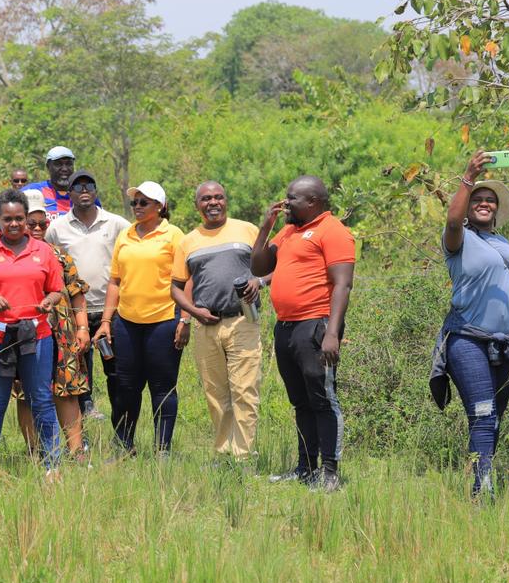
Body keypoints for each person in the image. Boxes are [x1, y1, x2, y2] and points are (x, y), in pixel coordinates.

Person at [430, 151, 509, 496]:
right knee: (483, 413)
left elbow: (498, 281)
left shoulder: (503, 243)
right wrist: (468, 177)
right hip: (468, 340)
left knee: (494, 421)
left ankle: (482, 478)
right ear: (468, 204)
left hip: (507, 342)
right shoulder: (459, 239)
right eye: (479, 199)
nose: (485, 203)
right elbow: (450, 221)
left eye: (490, 200)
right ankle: (482, 490)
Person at [251, 176, 354, 493]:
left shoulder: (333, 231)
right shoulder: (288, 231)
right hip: (286, 327)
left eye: (291, 198)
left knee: (322, 399)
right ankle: (305, 469)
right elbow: (257, 267)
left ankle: (330, 472)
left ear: (313, 202)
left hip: (316, 326)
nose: (285, 204)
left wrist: (332, 333)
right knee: (301, 402)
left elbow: (343, 284)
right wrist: (266, 227)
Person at [0, 189, 65, 487]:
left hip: (37, 335)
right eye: (7, 219)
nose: (14, 224)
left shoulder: (42, 251)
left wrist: (50, 301)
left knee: (42, 400)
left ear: (27, 218)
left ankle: (52, 466)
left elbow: (57, 289)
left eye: (19, 218)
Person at [171, 181, 270, 461]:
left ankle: (243, 457)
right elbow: (176, 287)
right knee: (216, 395)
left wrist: (259, 281)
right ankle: (224, 455)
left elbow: (276, 265)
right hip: (207, 326)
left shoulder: (247, 230)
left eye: (218, 197)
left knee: (245, 390)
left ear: (226, 201)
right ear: (197, 205)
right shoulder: (188, 241)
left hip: (242, 322)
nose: (212, 203)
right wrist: (192, 312)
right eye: (206, 199)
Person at [93, 182, 188, 458]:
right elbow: (115, 281)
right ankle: (124, 445)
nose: (137, 207)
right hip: (127, 322)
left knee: (162, 386)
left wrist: (184, 319)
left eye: (143, 202)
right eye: (135, 202)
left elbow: (185, 279)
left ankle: (162, 450)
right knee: (125, 386)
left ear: (160, 206)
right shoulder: (126, 235)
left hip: (163, 320)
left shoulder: (173, 235)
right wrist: (107, 321)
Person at [46, 170, 129, 422]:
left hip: (109, 310)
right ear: (68, 194)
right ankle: (86, 412)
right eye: (77, 186)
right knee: (80, 368)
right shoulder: (57, 228)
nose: (84, 190)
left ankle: (121, 416)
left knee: (114, 369)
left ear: (95, 191)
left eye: (89, 186)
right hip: (74, 311)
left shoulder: (116, 224)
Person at [13, 189, 91, 461]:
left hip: (63, 334)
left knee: (67, 392)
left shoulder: (59, 255)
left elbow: (77, 294)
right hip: (27, 335)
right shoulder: (14, 256)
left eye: (41, 224)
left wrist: (83, 328)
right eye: (29, 223)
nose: (35, 228)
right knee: (26, 394)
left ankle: (76, 451)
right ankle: (36, 451)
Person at [23, 146, 100, 220]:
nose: (64, 169)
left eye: (69, 164)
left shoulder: (83, 194)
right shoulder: (33, 191)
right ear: (48, 166)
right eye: (58, 164)